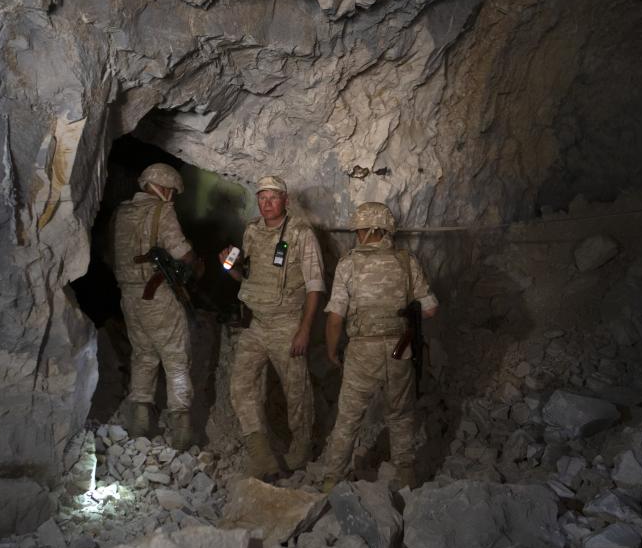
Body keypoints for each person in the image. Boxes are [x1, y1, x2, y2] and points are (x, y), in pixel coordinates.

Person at [320, 202, 438, 491]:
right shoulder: (406, 260)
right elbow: (431, 309)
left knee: (348, 417)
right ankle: (406, 477)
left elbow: (335, 318)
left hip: (362, 352)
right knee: (400, 414)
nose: (357, 235)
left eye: (358, 230)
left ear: (367, 230)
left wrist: (332, 350)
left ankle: (333, 480)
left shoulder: (349, 263)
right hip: (400, 348)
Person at [219, 176, 325, 479]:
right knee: (241, 385)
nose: (266, 204)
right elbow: (245, 277)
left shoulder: (301, 233)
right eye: (262, 198)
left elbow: (315, 287)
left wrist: (304, 329)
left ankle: (301, 449)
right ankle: (261, 453)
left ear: (285, 200)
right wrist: (228, 266)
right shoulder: (251, 231)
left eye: (273, 198)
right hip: (254, 323)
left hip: (287, 324)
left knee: (296, 391)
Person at [110, 163, 203, 449]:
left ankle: (140, 423)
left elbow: (108, 254)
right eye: (171, 192)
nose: (172, 197)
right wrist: (196, 266)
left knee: (143, 354)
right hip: (157, 296)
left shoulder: (119, 213)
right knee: (176, 358)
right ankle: (182, 429)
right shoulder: (162, 212)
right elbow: (181, 251)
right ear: (161, 188)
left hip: (128, 298)